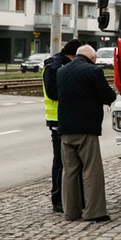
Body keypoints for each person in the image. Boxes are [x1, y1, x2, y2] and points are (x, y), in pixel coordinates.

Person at [57, 45, 116, 222]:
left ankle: (71, 212)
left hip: (66, 129)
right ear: (92, 58)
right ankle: (94, 212)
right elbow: (108, 96)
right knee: (91, 170)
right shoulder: (93, 71)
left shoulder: (62, 71)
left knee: (70, 172)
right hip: (86, 129)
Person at [42, 38, 81, 213]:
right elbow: (53, 92)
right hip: (58, 120)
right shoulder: (55, 67)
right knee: (60, 160)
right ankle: (57, 198)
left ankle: (69, 196)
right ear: (71, 55)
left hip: (68, 118)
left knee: (70, 161)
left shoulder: (64, 65)